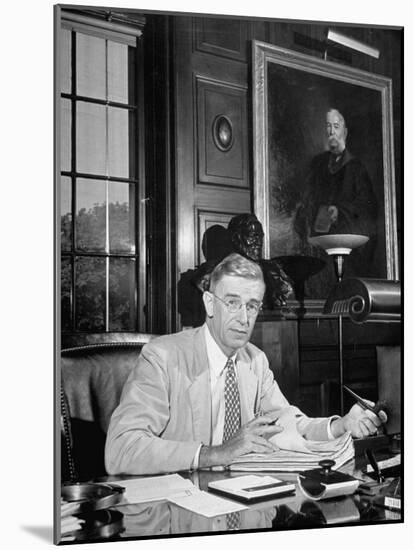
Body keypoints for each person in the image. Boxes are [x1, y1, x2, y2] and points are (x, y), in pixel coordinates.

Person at [105, 253, 384, 475]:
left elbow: (287, 422)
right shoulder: (162, 357)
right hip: (175, 510)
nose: (243, 317)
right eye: (232, 303)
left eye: (252, 305)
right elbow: (121, 449)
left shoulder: (255, 360)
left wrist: (341, 426)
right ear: (210, 304)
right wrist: (217, 453)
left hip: (239, 497)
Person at [296, 108, 378, 240]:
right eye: (328, 126)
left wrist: (340, 211)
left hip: (346, 238)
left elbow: (367, 206)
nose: (331, 132)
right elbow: (308, 197)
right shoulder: (317, 163)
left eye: (336, 126)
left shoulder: (357, 168)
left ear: (344, 132)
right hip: (319, 237)